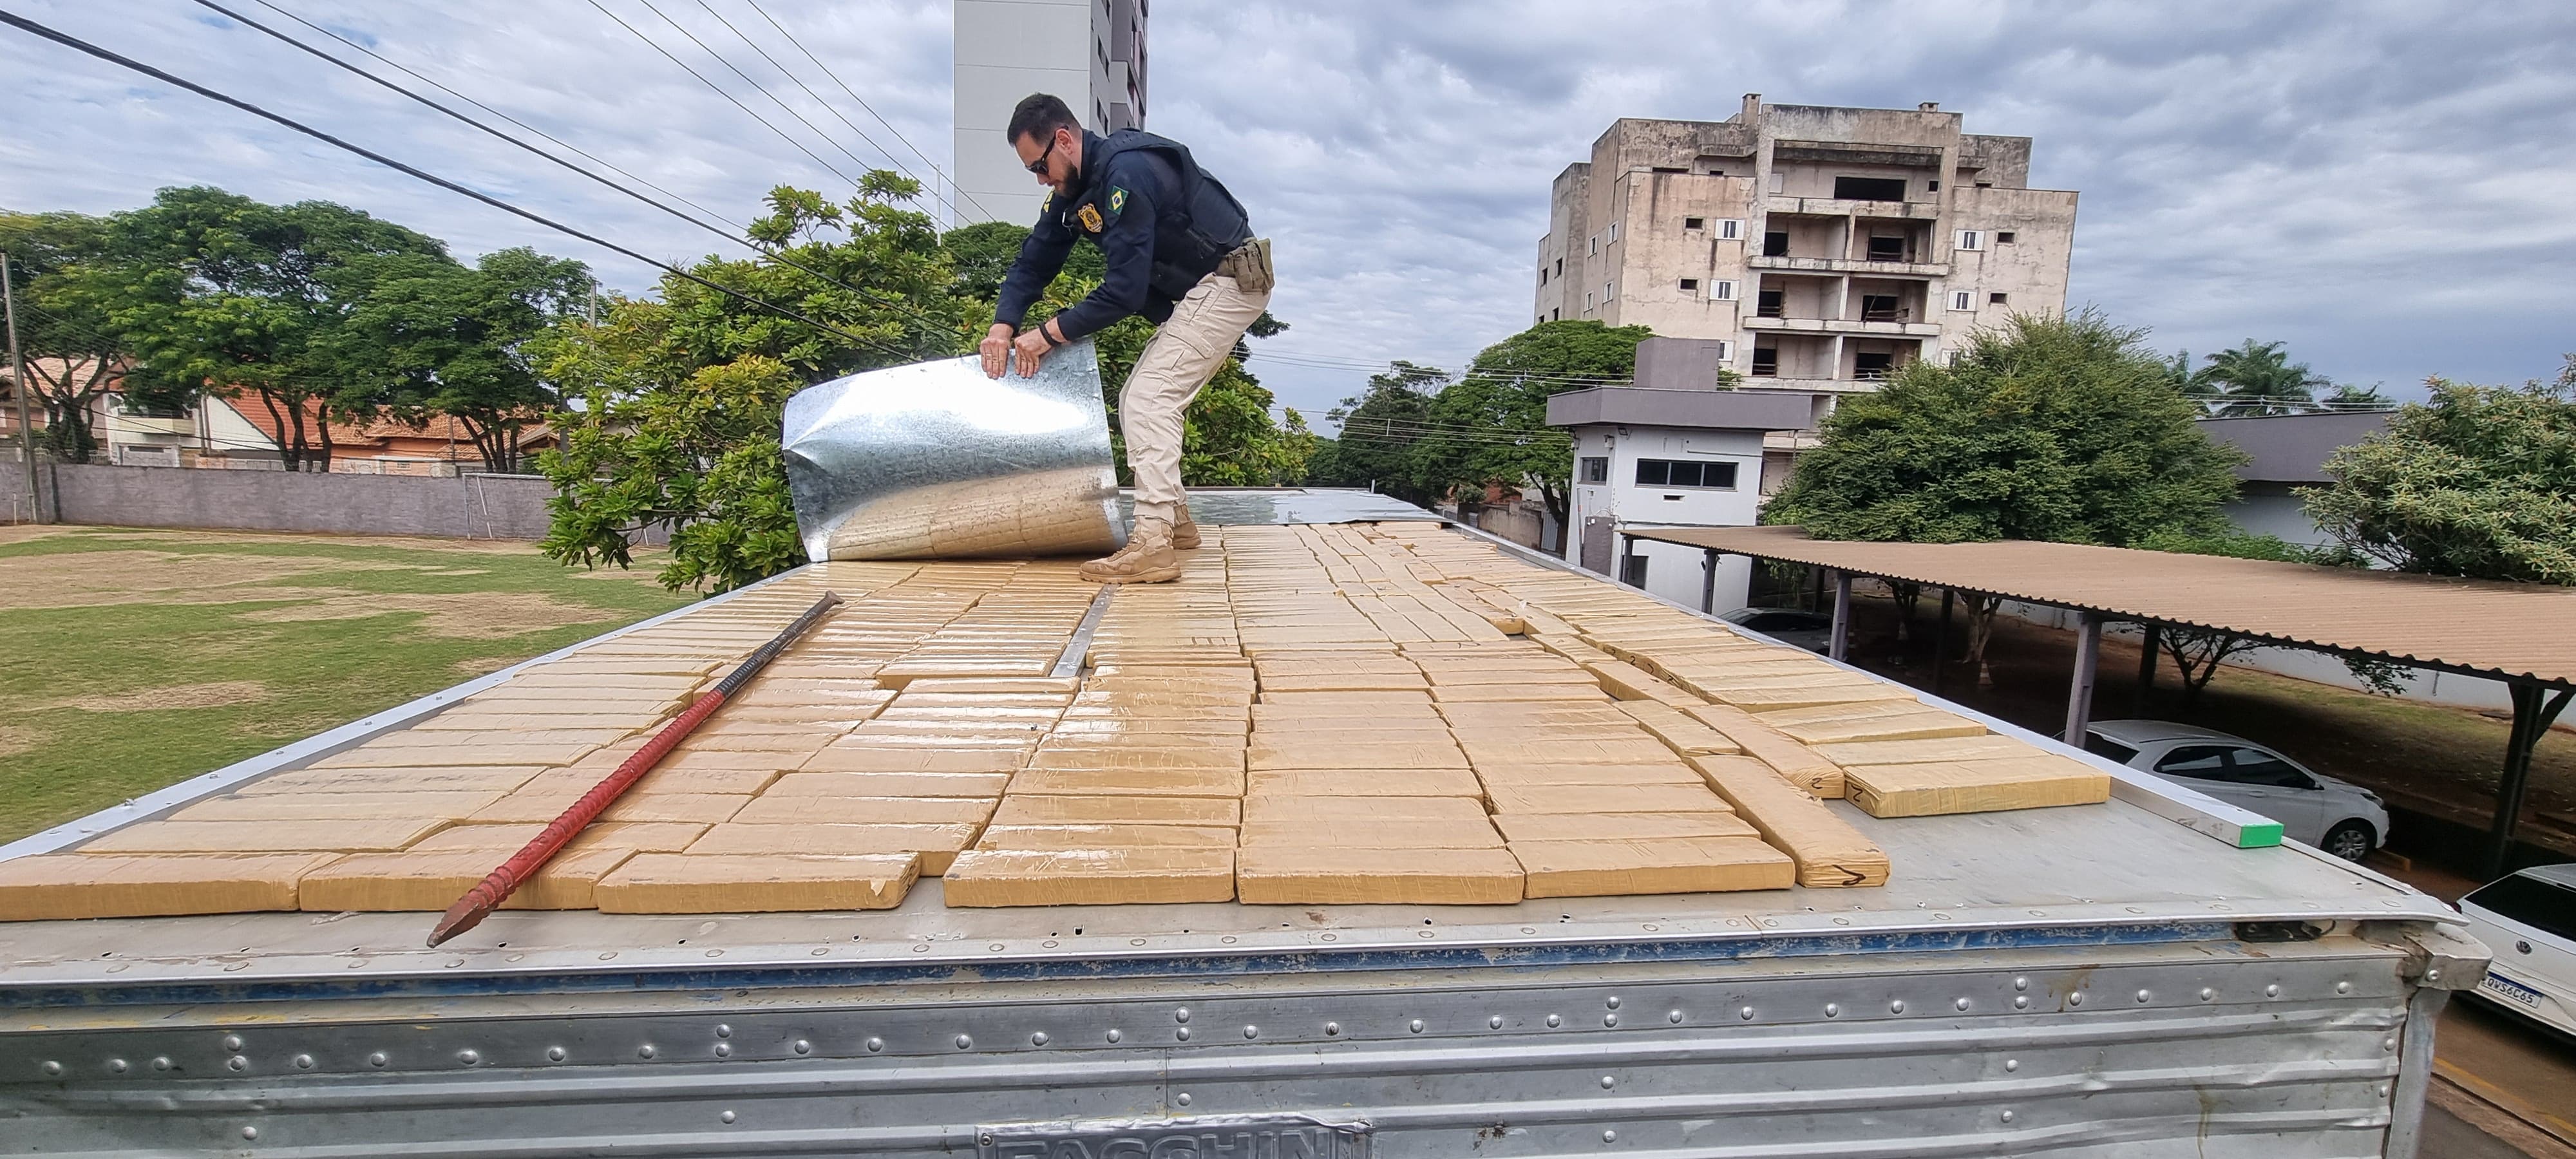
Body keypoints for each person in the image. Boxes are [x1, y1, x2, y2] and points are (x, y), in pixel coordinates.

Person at [980, 93, 1273, 585]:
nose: (1041, 179)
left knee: (1148, 400)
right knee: (1138, 397)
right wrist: (1002, 325)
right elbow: (1036, 259)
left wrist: (1046, 336)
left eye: (1040, 165)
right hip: (1202, 288)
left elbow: (1125, 292)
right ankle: (1175, 523)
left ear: (1066, 140)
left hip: (1232, 280)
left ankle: (1154, 543)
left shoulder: (1126, 173)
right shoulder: (1075, 191)